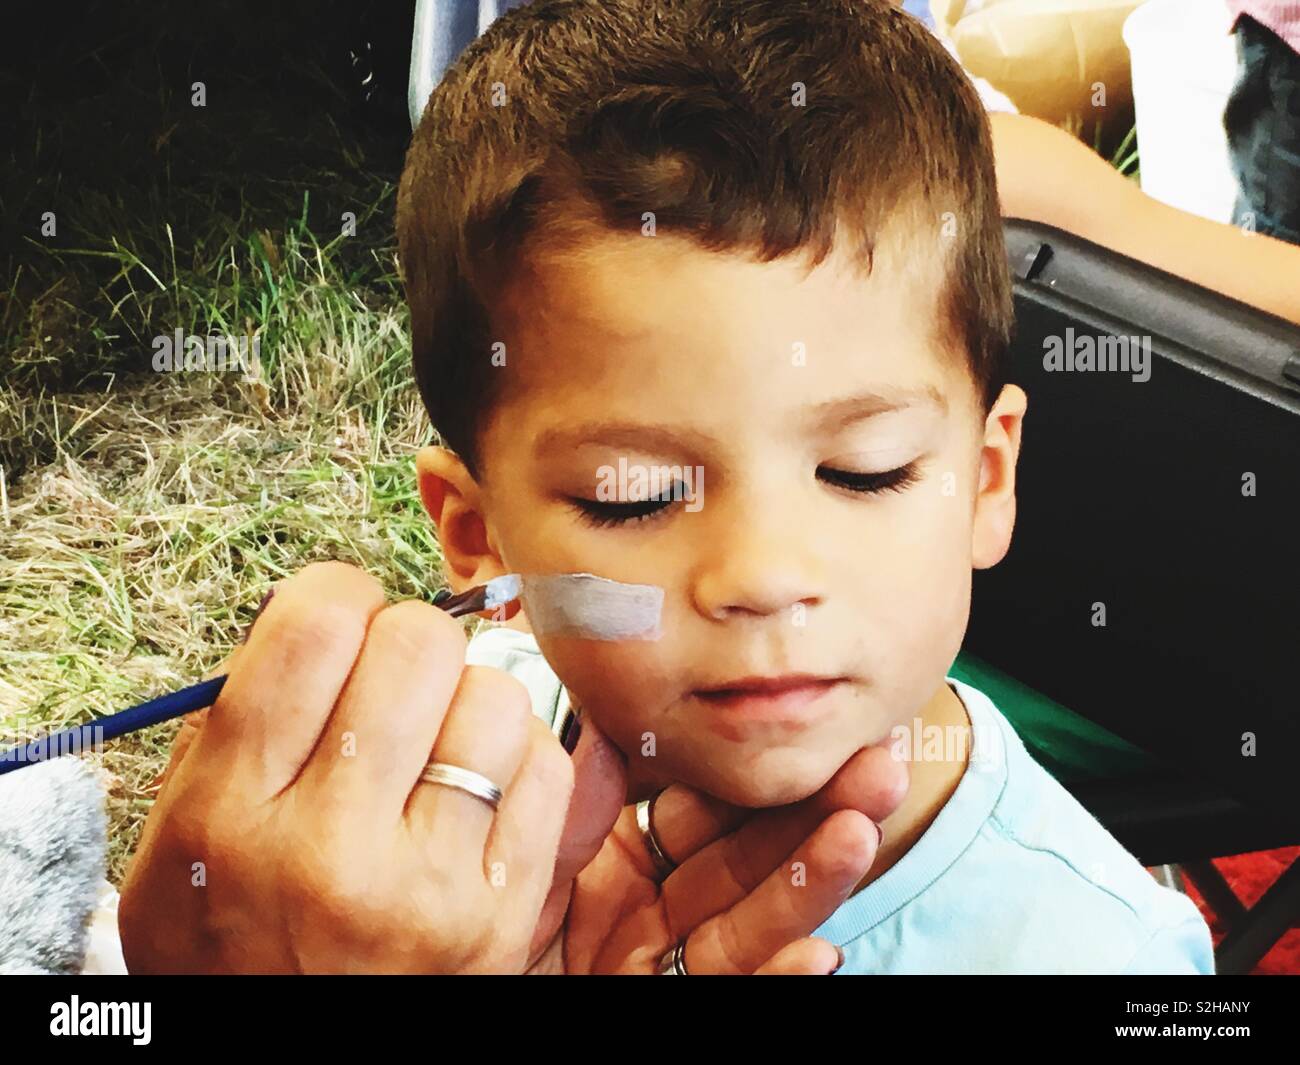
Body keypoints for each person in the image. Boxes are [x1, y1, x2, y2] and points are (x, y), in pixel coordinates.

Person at [121, 0, 1215, 974]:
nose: (764, 578)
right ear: (478, 532)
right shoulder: (419, 817)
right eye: (629, 497)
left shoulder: (1102, 948)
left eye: (863, 471)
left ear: (984, 480)